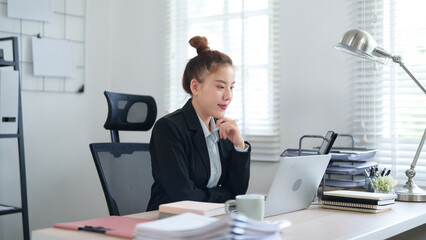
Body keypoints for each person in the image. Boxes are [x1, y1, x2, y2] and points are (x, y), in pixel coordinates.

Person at [147, 36, 251, 211]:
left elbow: (238, 192)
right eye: (220, 87)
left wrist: (239, 146)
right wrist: (224, 196)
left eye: (231, 87)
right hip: (169, 222)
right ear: (195, 87)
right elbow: (183, 196)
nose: (228, 96)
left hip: (210, 218)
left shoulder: (223, 128)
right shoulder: (168, 129)